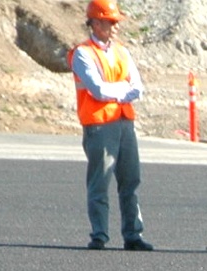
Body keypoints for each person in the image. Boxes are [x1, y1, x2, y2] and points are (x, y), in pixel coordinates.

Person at [69, 0, 150, 252]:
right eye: (110, 21)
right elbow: (97, 89)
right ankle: (99, 235)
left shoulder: (122, 51)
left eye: (116, 22)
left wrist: (118, 91)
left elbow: (138, 87)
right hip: (100, 126)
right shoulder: (82, 53)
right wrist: (122, 90)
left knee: (130, 181)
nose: (115, 27)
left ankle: (133, 235)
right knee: (100, 181)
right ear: (95, 22)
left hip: (124, 123)